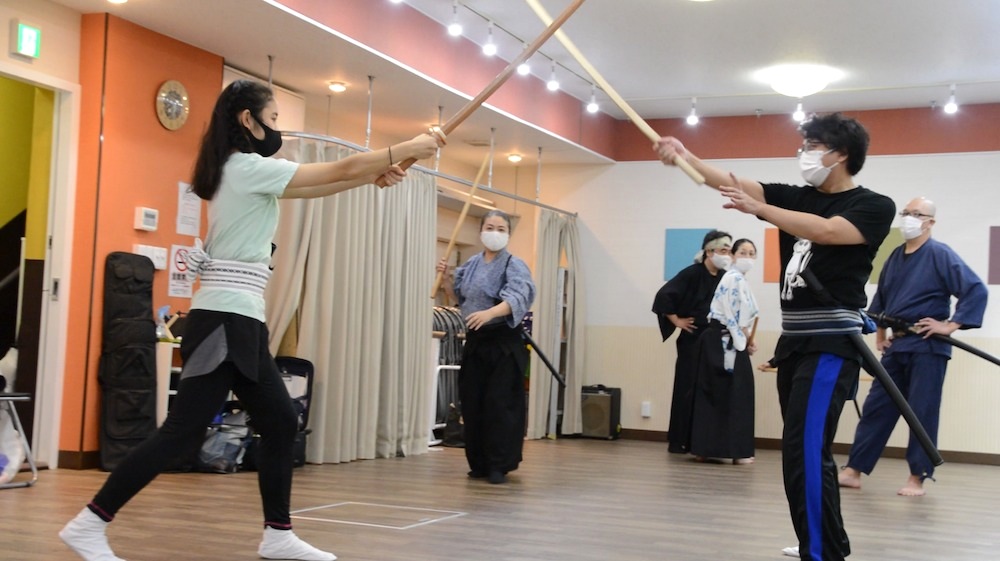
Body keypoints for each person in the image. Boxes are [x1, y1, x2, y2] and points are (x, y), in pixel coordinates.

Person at [59, 79, 445, 561]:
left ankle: (278, 534)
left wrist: (373, 176)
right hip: (224, 320)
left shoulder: (239, 171)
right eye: (275, 118)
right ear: (249, 119)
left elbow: (321, 184)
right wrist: (408, 148)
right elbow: (339, 167)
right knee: (182, 433)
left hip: (240, 319)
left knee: (280, 421)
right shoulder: (244, 168)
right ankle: (89, 522)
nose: (277, 127)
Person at [655, 112, 895, 561]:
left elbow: (827, 231)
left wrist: (760, 211)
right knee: (799, 453)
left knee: (806, 450)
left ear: (841, 154)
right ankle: (820, 542)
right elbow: (731, 182)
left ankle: (821, 551)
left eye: (813, 146)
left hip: (831, 346)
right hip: (795, 345)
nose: (804, 154)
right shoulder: (796, 197)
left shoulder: (874, 205)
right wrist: (686, 157)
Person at [839, 197, 987, 497]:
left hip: (928, 346)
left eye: (916, 214)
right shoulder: (895, 256)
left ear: (930, 222)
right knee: (877, 406)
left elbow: (975, 289)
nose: (908, 218)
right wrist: (880, 334)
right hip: (898, 345)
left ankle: (917, 476)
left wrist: (949, 325)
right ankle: (854, 470)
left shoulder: (940, 254)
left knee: (922, 411)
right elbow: (881, 298)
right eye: (905, 213)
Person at [437, 209, 536, 485]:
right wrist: (446, 280)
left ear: (508, 234)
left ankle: (498, 464)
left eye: (501, 229)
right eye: (490, 227)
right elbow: (460, 298)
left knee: (499, 404)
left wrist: (489, 314)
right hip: (476, 341)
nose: (495, 233)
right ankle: (478, 462)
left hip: (503, 341)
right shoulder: (471, 264)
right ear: (481, 231)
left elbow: (518, 298)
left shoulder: (514, 265)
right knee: (473, 401)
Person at [652, 230, 731, 454]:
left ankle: (703, 441)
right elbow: (664, 295)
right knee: (687, 387)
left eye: (728, 251)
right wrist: (676, 320)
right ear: (709, 251)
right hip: (693, 339)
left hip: (715, 340)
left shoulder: (726, 277)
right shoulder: (691, 273)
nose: (726, 255)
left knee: (710, 388)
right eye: (723, 250)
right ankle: (679, 440)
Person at [690, 238, 760, 465]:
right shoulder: (732, 278)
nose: (747, 257)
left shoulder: (739, 279)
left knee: (731, 394)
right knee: (722, 394)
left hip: (729, 339)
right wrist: (743, 339)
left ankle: (724, 449)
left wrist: (747, 339)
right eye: (742, 252)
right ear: (733, 255)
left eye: (751, 253)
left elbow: (743, 316)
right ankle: (717, 450)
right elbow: (733, 316)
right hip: (722, 340)